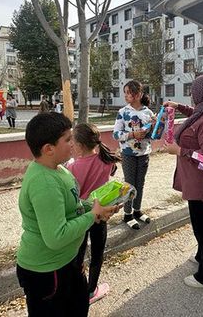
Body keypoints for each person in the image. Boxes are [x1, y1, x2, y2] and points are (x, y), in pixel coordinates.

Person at [16, 112, 121, 316]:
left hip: (67, 262)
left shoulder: (58, 170)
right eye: (67, 139)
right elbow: (56, 237)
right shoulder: (44, 183)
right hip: (47, 271)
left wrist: (94, 208)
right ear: (48, 149)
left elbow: (72, 202)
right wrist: (91, 216)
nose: (73, 143)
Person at [163, 73, 203, 289]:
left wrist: (180, 150)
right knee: (201, 224)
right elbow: (195, 115)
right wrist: (178, 106)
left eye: (196, 89)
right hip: (196, 181)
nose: (193, 93)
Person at [67, 123, 122, 305]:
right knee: (97, 254)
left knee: (78, 254)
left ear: (80, 145)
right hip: (100, 215)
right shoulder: (107, 161)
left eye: (73, 141)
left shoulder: (71, 166)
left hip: (81, 216)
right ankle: (91, 290)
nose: (71, 145)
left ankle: (76, 289)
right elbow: (112, 172)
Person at [113, 80, 154, 230]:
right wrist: (133, 134)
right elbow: (116, 134)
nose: (125, 96)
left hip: (144, 153)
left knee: (140, 183)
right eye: (125, 93)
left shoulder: (148, 113)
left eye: (128, 93)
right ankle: (127, 214)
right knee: (129, 184)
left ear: (138, 94)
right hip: (128, 154)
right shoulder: (123, 112)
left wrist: (156, 125)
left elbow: (154, 136)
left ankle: (137, 211)